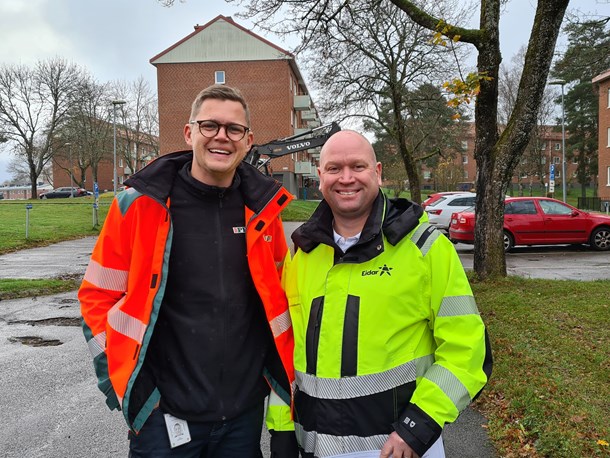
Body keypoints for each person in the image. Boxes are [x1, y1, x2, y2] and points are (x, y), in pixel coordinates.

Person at [79, 85, 297, 457]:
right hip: (163, 419)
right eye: (210, 125)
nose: (221, 137)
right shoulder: (140, 205)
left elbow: (277, 302)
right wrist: (127, 387)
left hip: (243, 417)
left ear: (248, 141)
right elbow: (97, 297)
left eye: (233, 129)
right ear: (189, 132)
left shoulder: (264, 212)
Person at [282, 130, 493, 458]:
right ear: (320, 176)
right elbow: (284, 353)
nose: (347, 178)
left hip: (392, 449)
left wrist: (418, 425)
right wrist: (282, 431)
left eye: (358, 166)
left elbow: (468, 350)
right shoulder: (302, 255)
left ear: (378, 172)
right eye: (335, 168)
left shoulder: (425, 249)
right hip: (313, 446)